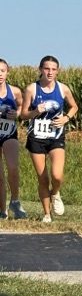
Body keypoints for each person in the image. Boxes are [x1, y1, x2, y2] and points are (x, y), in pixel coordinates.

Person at [20, 55, 78, 223]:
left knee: (57, 175)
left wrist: (66, 118)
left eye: (53, 69)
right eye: (46, 68)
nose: (50, 72)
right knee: (43, 178)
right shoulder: (32, 89)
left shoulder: (63, 89)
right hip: (36, 138)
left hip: (56, 136)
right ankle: (47, 214)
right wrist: (35, 111)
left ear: (57, 71)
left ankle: (56, 193)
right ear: (40, 70)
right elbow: (23, 115)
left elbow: (74, 106)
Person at [0, 59, 28, 220]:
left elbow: (23, 108)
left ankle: (15, 201)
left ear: (7, 72)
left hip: (9, 133)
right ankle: (2, 211)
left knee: (13, 168)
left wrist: (16, 114)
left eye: (2, 71)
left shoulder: (15, 91)